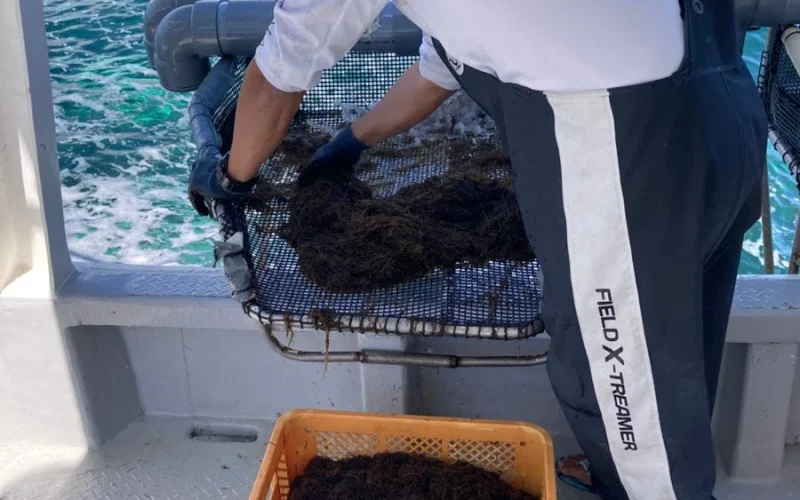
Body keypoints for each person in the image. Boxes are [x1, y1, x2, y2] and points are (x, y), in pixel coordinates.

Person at [188, 1, 767, 498]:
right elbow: (446, 63)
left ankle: (650, 483)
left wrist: (230, 177)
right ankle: (624, 472)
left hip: (620, 146)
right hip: (719, 103)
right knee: (675, 340)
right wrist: (353, 141)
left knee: (617, 369)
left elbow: (279, 73)